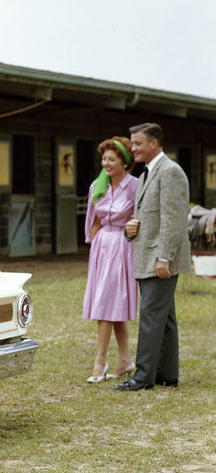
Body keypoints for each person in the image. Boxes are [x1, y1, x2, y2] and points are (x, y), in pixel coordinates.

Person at [115, 122, 191, 391]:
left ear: (154, 143)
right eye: (132, 143)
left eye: (138, 143)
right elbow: (151, 217)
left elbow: (173, 219)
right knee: (164, 318)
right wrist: (131, 229)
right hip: (149, 256)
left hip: (159, 259)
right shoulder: (148, 172)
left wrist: (164, 257)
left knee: (150, 316)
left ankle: (143, 377)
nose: (133, 148)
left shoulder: (170, 172)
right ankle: (166, 374)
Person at [82, 137, 138, 382]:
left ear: (124, 162)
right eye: (104, 159)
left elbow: (141, 218)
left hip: (124, 246)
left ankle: (100, 361)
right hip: (102, 247)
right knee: (111, 303)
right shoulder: (97, 186)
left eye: (111, 159)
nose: (105, 163)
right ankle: (125, 359)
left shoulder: (135, 186)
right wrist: (95, 251)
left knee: (106, 303)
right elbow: (94, 221)